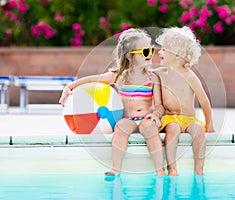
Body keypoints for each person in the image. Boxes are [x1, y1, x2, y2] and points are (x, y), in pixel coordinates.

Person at [59, 28, 166, 176]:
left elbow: (160, 105)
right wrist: (69, 86)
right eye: (145, 52)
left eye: (151, 51)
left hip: (146, 119)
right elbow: (93, 79)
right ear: (129, 56)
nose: (150, 55)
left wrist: (156, 115)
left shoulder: (152, 78)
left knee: (151, 130)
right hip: (127, 119)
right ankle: (116, 168)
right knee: (120, 129)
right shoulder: (118, 76)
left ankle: (159, 169)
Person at [154, 26, 215, 176]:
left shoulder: (190, 76)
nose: (159, 52)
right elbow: (142, 72)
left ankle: (199, 169)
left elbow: (204, 101)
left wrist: (209, 124)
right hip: (170, 118)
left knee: (199, 130)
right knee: (173, 129)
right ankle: (172, 167)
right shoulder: (160, 73)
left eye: (163, 49)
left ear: (177, 55)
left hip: (189, 119)